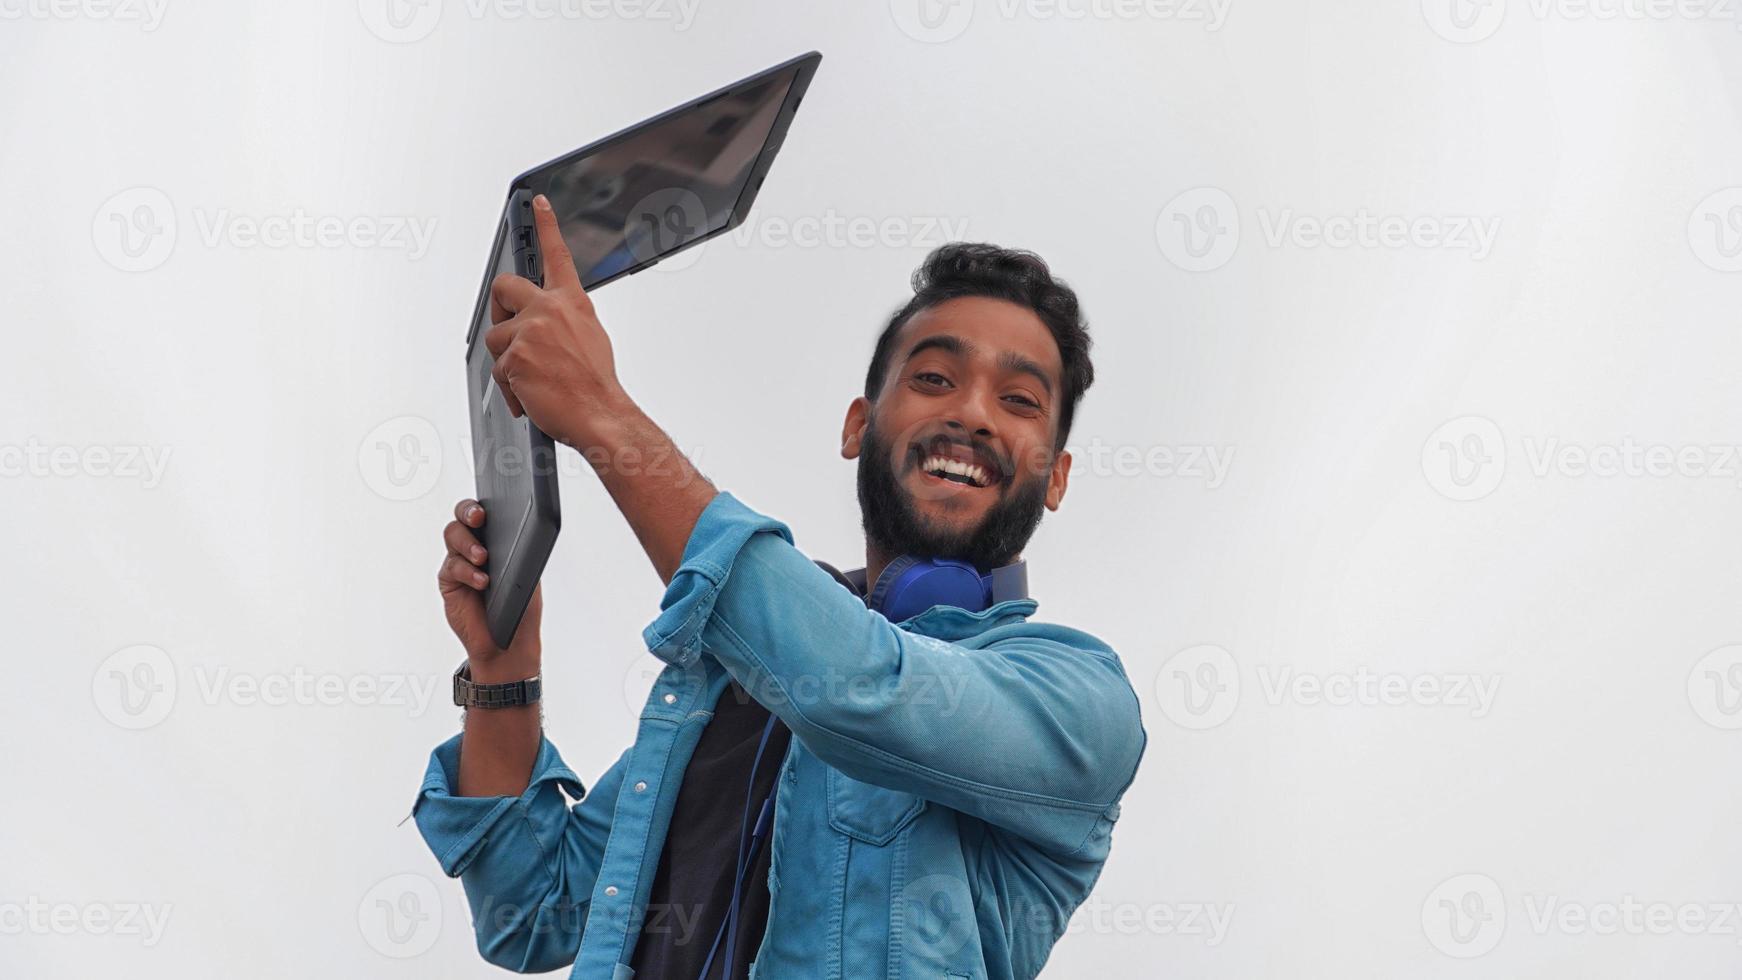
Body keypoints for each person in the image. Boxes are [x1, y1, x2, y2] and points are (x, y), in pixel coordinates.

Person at [414, 193, 1147, 979]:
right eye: (934, 377)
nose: (972, 413)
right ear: (858, 426)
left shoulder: (1080, 700)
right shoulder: (731, 684)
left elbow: (859, 686)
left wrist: (604, 415)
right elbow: (531, 913)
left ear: (1056, 476)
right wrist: (503, 672)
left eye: (1019, 401)